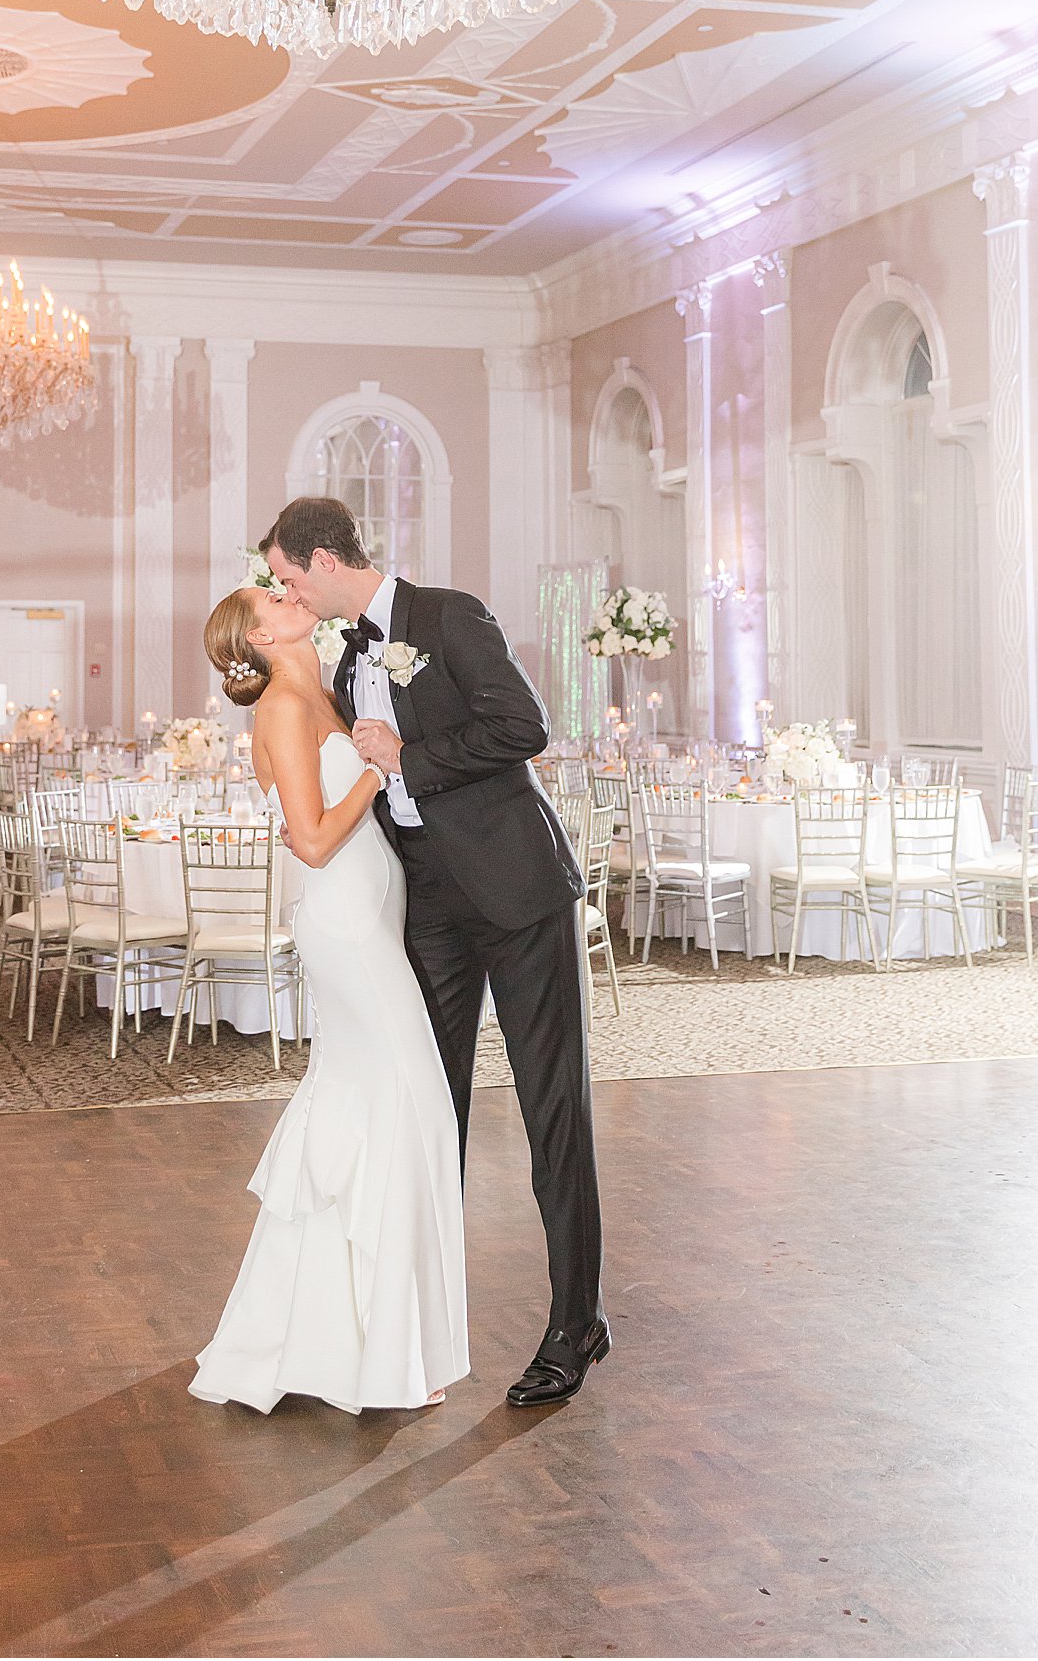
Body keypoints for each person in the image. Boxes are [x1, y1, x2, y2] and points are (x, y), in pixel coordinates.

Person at [261, 496, 607, 1409]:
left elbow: (524, 727)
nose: (286, 589)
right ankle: (414, 1320)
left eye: (291, 576)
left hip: (520, 895)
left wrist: (411, 752)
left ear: (327, 560)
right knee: (428, 1111)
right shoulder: (341, 659)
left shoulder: (449, 615)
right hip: (429, 912)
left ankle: (577, 1323)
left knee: (551, 1112)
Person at [188, 584, 469, 1416]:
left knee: (376, 1113)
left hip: (373, 914)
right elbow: (309, 840)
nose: (287, 592)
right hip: (346, 928)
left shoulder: (323, 687)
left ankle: (346, 1341)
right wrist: (378, 774)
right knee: (414, 1103)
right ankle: (384, 1350)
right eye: (269, 594)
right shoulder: (280, 703)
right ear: (262, 632)